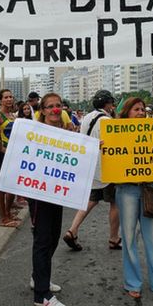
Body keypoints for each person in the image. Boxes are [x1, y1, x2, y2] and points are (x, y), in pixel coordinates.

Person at [115, 97, 153, 299]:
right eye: (136, 109)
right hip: (126, 190)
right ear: (127, 112)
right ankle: (132, 283)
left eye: (143, 109)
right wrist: (103, 147)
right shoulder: (115, 133)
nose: (141, 112)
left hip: (149, 189)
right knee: (129, 238)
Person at [63, 90, 121, 251]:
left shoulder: (87, 117)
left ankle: (72, 230)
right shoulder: (107, 120)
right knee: (115, 203)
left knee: (91, 200)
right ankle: (114, 238)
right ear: (108, 104)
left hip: (91, 166)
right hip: (107, 167)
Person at [29, 92, 67, 306]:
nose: (55, 109)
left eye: (58, 105)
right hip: (39, 194)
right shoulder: (34, 132)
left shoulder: (64, 130)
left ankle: (38, 277)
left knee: (52, 236)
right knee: (42, 240)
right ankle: (41, 294)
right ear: (42, 110)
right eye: (50, 106)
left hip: (57, 193)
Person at [0, 89, 20, 227]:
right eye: (6, 97)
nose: (9, 99)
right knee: (1, 187)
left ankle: (8, 212)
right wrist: (0, 148)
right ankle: (3, 217)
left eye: (11, 96)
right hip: (2, 155)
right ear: (0, 100)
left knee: (12, 186)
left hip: (14, 154)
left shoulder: (13, 115)